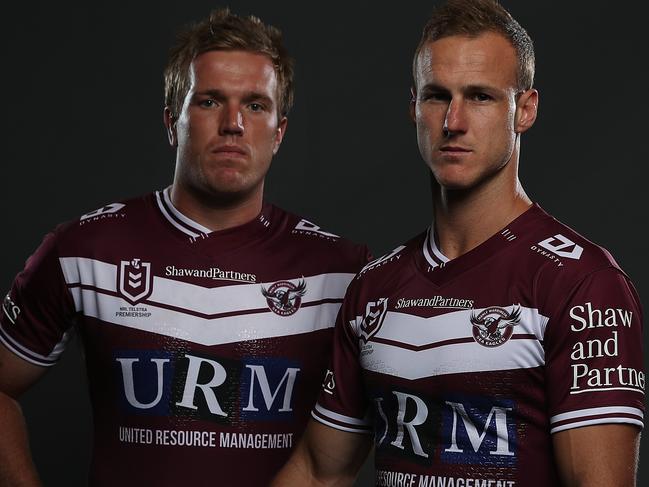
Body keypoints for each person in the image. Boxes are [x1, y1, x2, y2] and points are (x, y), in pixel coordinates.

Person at [272, 0, 644, 485]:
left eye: (481, 97)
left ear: (525, 110)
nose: (454, 121)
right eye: (436, 96)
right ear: (414, 107)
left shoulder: (582, 284)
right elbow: (319, 472)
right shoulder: (374, 289)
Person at [0, 9, 370, 486]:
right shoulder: (85, 250)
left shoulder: (341, 272)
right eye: (210, 101)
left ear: (279, 133)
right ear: (172, 121)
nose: (234, 123)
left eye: (256, 105)